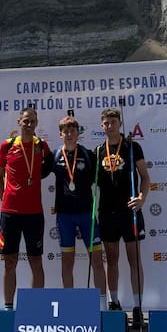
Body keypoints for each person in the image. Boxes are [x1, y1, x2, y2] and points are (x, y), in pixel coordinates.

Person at [96, 106, 150, 331]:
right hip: (107, 212)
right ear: (102, 126)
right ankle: (114, 302)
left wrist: (141, 198)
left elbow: (145, 177)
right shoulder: (99, 150)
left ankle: (138, 307)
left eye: (113, 122)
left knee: (134, 259)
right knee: (112, 260)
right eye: (106, 123)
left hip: (130, 211)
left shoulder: (131, 147)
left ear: (119, 124)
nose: (110, 126)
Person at [0, 106, 53, 309]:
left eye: (32, 121)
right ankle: (9, 308)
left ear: (37, 124)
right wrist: (4, 199)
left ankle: (35, 309)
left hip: (34, 214)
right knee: (9, 262)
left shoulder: (42, 146)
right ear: (19, 122)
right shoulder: (7, 145)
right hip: (10, 214)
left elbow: (48, 167)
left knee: (36, 263)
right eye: (25, 121)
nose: (29, 124)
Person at [52, 115, 108, 311]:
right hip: (65, 216)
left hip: (87, 215)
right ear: (60, 134)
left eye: (72, 130)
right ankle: (69, 304)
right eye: (65, 131)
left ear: (78, 133)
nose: (69, 134)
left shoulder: (88, 154)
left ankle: (102, 305)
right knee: (67, 261)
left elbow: (102, 178)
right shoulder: (55, 155)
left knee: (97, 260)